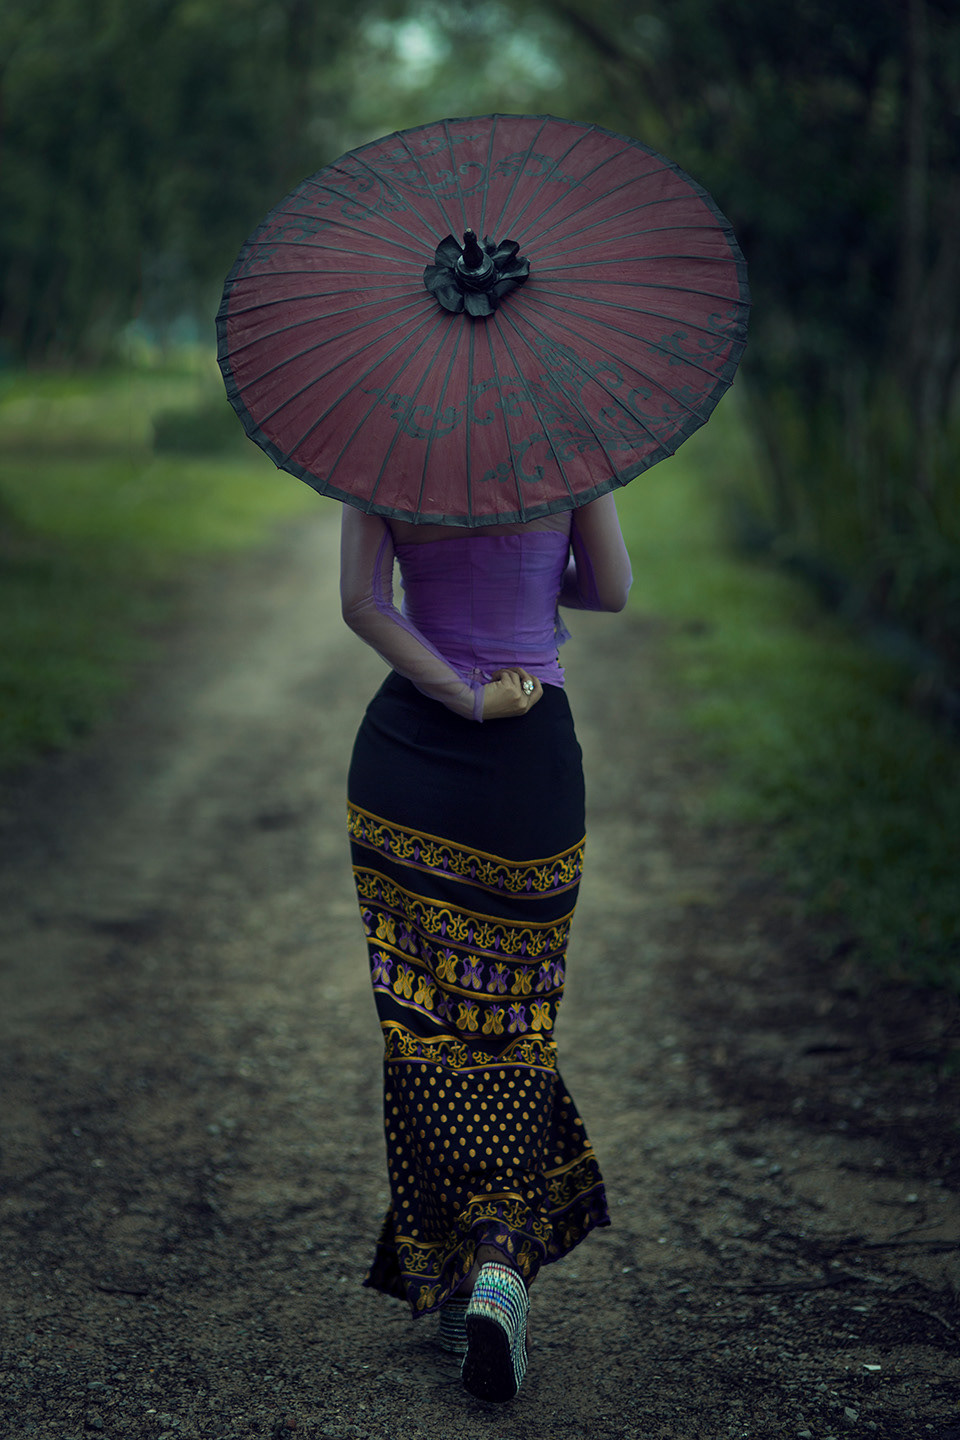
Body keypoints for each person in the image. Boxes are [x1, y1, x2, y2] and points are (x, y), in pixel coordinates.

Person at [340, 492, 632, 1403]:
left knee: (422, 1019)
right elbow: (612, 589)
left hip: (405, 760)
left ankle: (466, 1265)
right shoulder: (567, 454)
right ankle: (497, 1264)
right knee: (516, 1019)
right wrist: (535, 576)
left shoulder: (383, 453)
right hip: (529, 762)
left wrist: (464, 696)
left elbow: (363, 602)